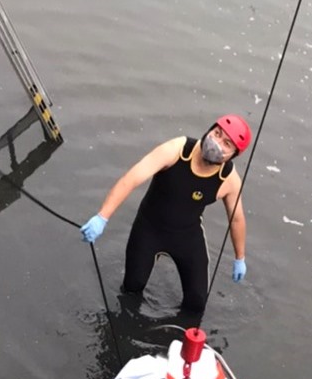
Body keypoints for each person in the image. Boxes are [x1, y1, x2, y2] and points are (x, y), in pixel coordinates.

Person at [79, 115, 251, 314]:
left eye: (226, 143)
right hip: (149, 228)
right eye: (217, 133)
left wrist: (240, 257)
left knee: (196, 303)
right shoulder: (177, 150)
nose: (216, 142)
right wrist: (102, 217)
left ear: (233, 154)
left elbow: (236, 218)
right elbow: (132, 178)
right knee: (131, 290)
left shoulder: (228, 179)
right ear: (209, 130)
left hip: (187, 236)